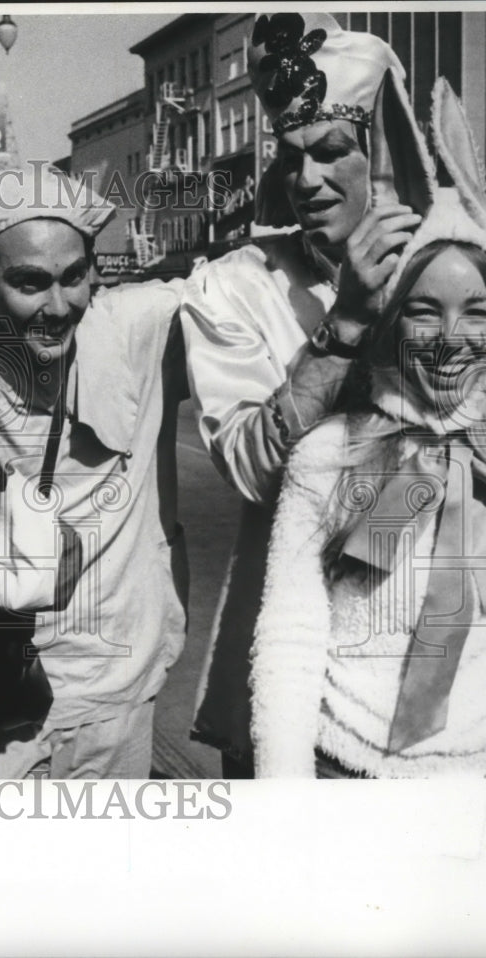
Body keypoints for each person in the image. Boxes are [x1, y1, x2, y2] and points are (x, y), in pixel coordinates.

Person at [179, 13, 424, 776]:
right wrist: (346, 322)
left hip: (434, 646)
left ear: (380, 160)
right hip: (295, 661)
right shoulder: (234, 287)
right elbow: (251, 470)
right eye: (291, 158)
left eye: (331, 153)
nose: (308, 179)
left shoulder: (453, 273)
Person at [0, 163, 190, 779]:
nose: (58, 306)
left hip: (115, 692)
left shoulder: (141, 327)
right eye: (30, 283)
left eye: (73, 278)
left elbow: (268, 291)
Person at [252, 77, 486, 777]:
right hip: (344, 765)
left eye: (477, 311)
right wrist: (284, 800)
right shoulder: (331, 453)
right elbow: (292, 636)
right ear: (387, 319)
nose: (451, 339)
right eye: (423, 310)